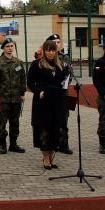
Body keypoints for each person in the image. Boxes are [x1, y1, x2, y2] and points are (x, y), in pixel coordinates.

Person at [27, 40, 70, 170]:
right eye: (48, 50)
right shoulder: (37, 64)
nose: (50, 53)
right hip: (43, 102)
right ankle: (45, 157)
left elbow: (63, 82)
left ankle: (51, 155)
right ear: (44, 51)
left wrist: (67, 75)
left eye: (53, 50)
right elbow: (30, 82)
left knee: (55, 129)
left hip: (56, 102)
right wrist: (38, 91)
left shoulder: (60, 65)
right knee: (44, 129)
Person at [0, 38, 26, 154]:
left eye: (11, 46)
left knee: (15, 123)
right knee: (2, 123)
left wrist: (22, 93)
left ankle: (13, 144)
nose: (10, 48)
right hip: (3, 98)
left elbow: (22, 79)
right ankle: (2, 145)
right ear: (3, 48)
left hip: (16, 98)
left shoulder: (18, 62)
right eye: (8, 46)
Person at [46, 34, 73, 155]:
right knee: (50, 121)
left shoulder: (64, 58)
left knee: (64, 119)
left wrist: (65, 83)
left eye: (58, 42)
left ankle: (64, 144)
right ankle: (52, 144)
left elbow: (69, 74)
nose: (57, 44)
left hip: (63, 93)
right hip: (50, 94)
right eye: (54, 42)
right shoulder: (46, 58)